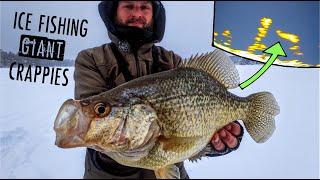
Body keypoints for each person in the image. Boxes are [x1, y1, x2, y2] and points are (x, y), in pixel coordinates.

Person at [74, 1, 244, 179]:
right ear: (113, 10)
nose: (137, 13)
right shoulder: (92, 59)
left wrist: (214, 143)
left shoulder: (172, 62)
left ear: (154, 14)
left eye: (144, 7)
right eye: (129, 6)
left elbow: (193, 130)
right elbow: (94, 124)